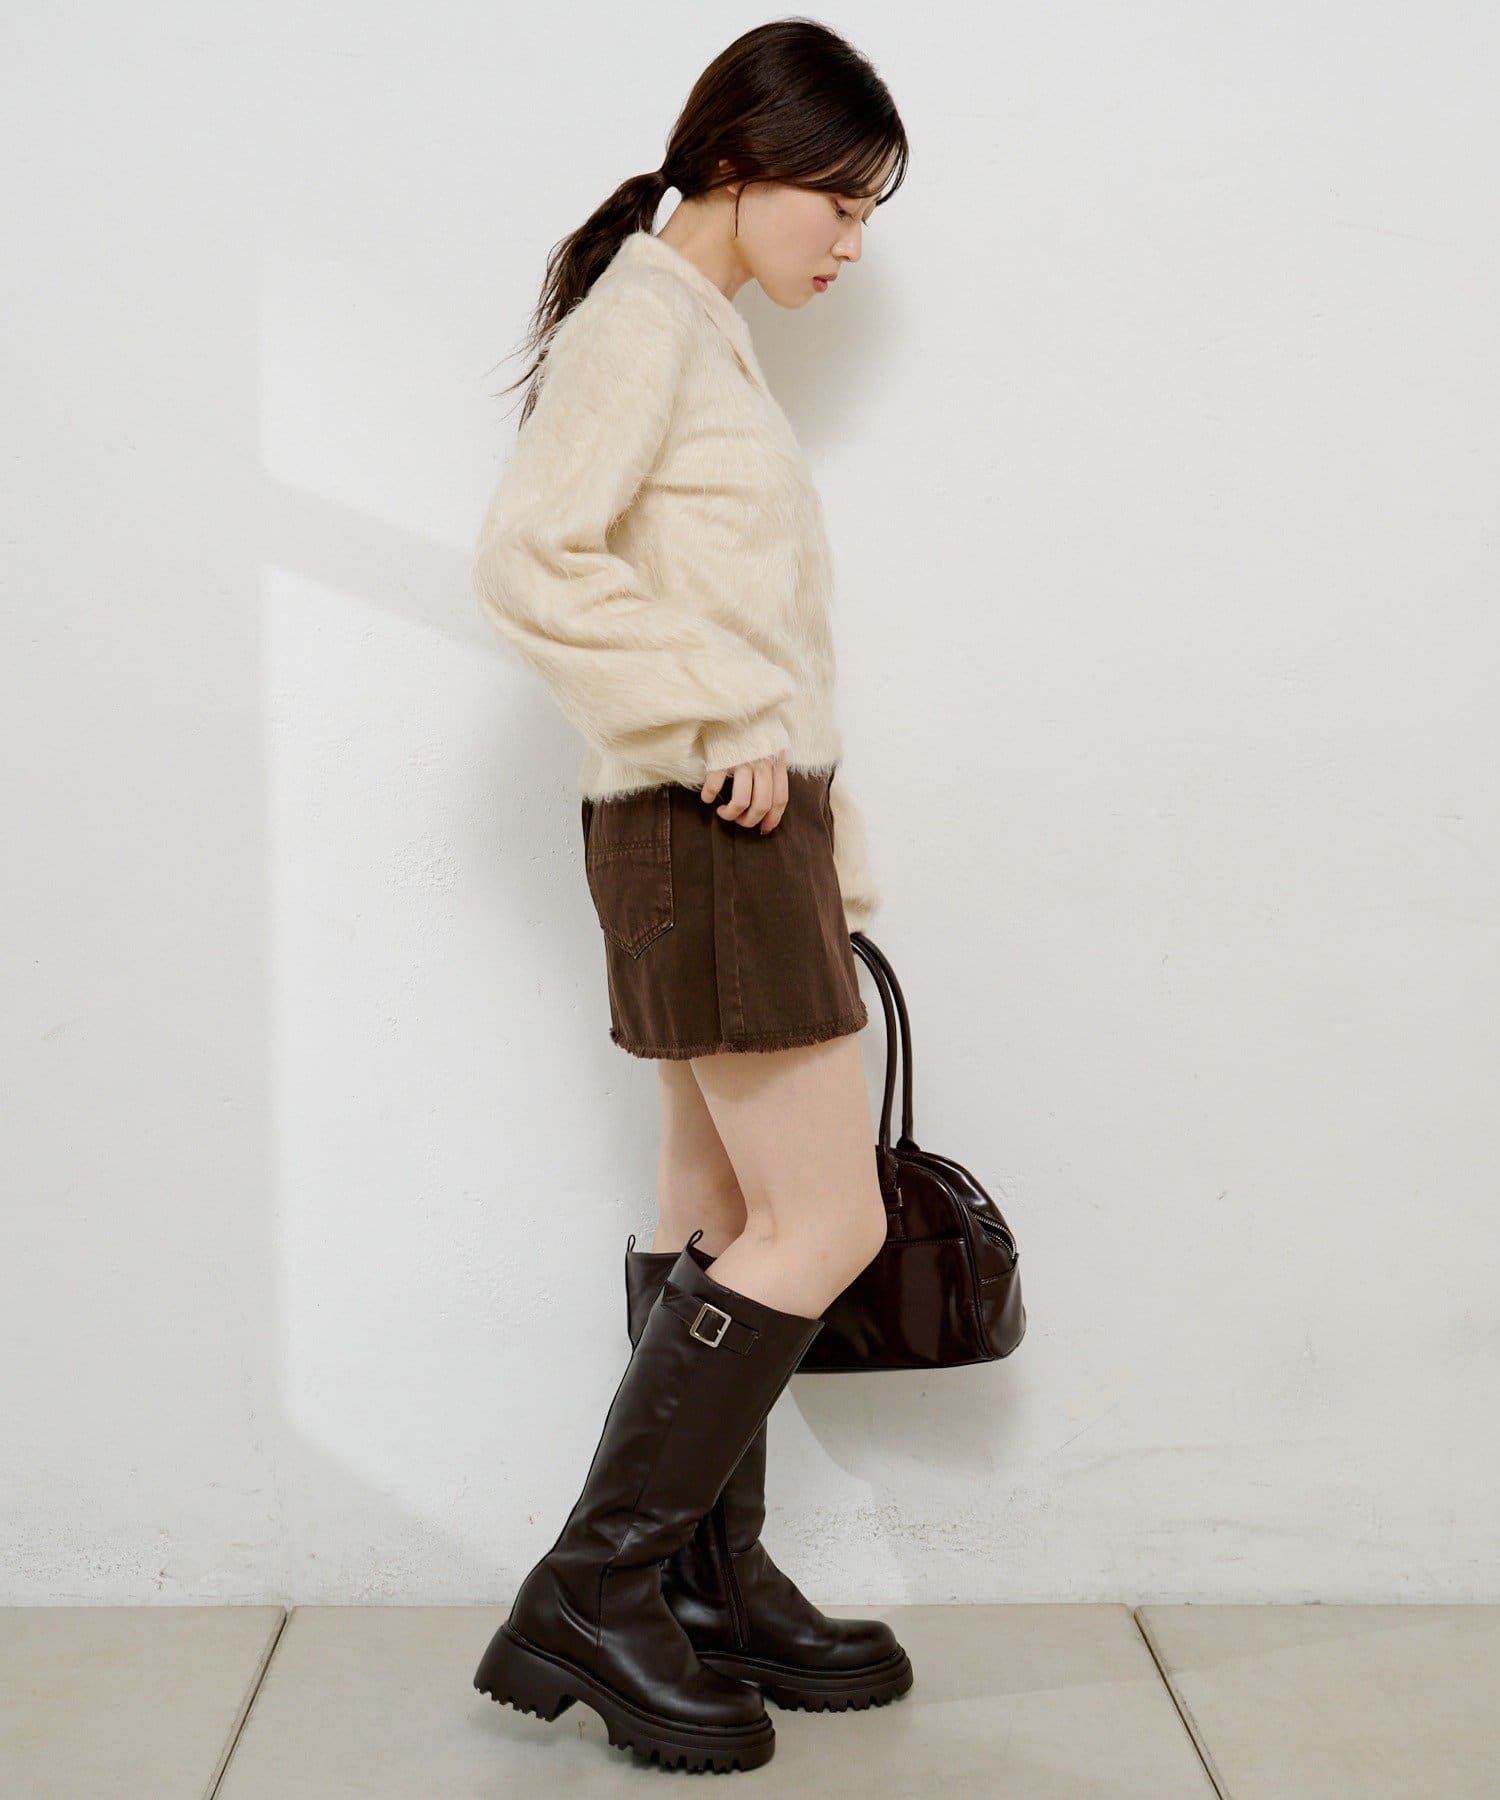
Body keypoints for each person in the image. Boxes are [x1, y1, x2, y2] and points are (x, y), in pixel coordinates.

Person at [469, 20, 913, 1773]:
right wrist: (717, 718)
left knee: (719, 1207)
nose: (852, 241)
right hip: (702, 816)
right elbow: (529, 558)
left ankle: (702, 1589)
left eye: (870, 215)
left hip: (724, 823)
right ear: (738, 164)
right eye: (841, 202)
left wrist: (814, 833)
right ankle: (597, 1586)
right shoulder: (645, 320)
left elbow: (732, 623)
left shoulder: (696, 328)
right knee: (829, 1222)